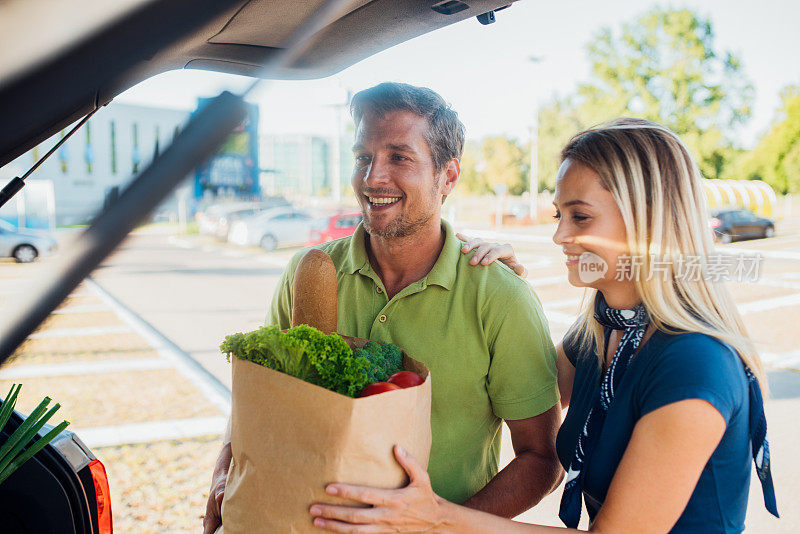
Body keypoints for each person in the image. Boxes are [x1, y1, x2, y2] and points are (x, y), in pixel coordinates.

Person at [309, 118, 779, 533]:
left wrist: (435, 519)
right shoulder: (599, 334)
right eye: (560, 215)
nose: (559, 235)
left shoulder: (695, 364)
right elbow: (514, 379)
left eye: (580, 216)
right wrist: (491, 290)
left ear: (647, 222)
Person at [203, 82, 562, 533]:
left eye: (399, 157)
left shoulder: (500, 297)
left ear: (448, 176)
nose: (373, 177)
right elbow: (258, 398)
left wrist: (440, 525)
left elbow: (542, 459)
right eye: (362, 157)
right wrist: (224, 469)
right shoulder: (309, 272)